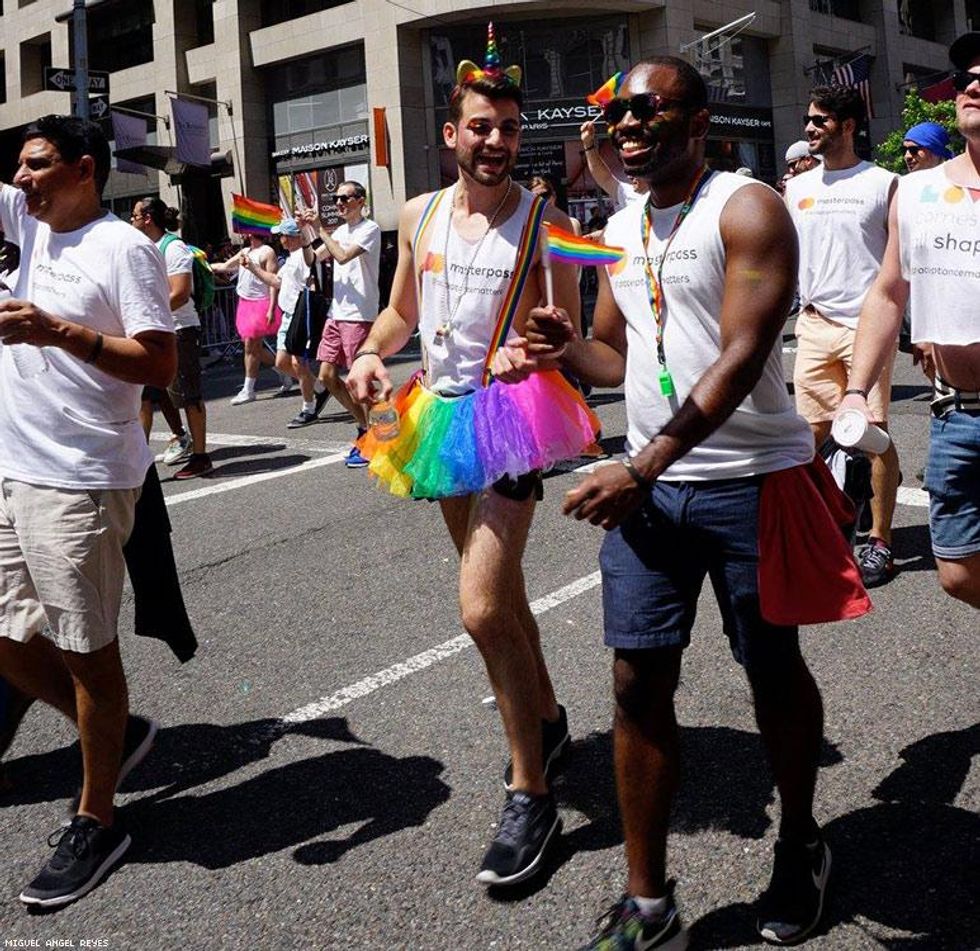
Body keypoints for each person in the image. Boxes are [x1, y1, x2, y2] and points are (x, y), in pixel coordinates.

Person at [522, 56, 836, 947]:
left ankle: (801, 842)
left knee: (771, 671)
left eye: (644, 109)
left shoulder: (748, 207)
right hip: (653, 493)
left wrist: (645, 463)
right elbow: (615, 363)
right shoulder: (621, 227)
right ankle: (646, 898)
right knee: (635, 680)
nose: (623, 125)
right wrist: (564, 348)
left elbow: (740, 356)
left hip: (749, 485)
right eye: (614, 111)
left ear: (699, 121)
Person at [346, 30, 582, 888]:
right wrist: (374, 352)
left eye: (510, 128)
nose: (496, 142)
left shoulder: (543, 221)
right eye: (482, 126)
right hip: (437, 418)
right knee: (506, 597)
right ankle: (548, 717)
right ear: (452, 134)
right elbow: (399, 314)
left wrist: (539, 350)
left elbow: (570, 335)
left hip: (513, 418)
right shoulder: (420, 213)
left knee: (481, 609)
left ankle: (532, 789)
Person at [0, 115, 175, 907]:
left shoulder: (122, 248)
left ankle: (97, 817)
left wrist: (57, 330)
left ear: (83, 169)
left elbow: (160, 360)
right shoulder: (29, 223)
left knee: (86, 653)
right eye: (19, 167)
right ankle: (120, 733)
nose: (22, 178)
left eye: (37, 165)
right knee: (6, 640)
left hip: (82, 481)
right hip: (12, 470)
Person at [836, 33, 980, 608]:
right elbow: (889, 293)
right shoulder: (916, 192)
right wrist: (854, 390)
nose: (972, 86)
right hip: (956, 415)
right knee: (956, 572)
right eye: (968, 77)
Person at [785, 86, 900, 588]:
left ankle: (880, 542)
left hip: (866, 324)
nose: (810, 128)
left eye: (821, 120)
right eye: (809, 120)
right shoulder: (797, 188)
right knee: (809, 436)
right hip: (812, 324)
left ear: (849, 125)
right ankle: (828, 529)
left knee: (870, 432)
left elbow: (902, 262)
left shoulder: (884, 183)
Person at [130, 198, 213, 479]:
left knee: (189, 395)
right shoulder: (144, 247)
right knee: (146, 395)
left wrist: (147, 313)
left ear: (148, 218)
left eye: (135, 215)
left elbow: (180, 292)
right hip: (150, 330)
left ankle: (201, 457)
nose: (132, 220)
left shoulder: (173, 247)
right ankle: (142, 461)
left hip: (180, 330)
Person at [304, 182, 381, 467]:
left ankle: (379, 436)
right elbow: (314, 257)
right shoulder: (339, 232)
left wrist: (321, 228)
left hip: (359, 314)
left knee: (359, 380)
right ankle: (366, 428)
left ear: (360, 201)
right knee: (325, 375)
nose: (339, 203)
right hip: (337, 313)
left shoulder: (369, 229)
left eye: (344, 198)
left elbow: (343, 256)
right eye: (335, 198)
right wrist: (306, 231)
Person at [241, 217, 328, 428]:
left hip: (299, 314)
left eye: (284, 235)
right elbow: (276, 281)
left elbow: (312, 279)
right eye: (281, 236)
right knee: (282, 362)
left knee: (299, 363)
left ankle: (308, 408)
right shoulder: (290, 258)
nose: (281, 239)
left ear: (293, 237)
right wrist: (252, 268)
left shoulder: (303, 256)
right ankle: (319, 388)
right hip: (288, 315)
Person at [211, 232, 289, 404]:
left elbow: (272, 282)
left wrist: (271, 307)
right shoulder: (245, 251)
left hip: (261, 303)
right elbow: (225, 266)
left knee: (250, 347)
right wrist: (205, 264)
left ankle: (248, 389)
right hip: (245, 304)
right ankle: (284, 371)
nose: (245, 234)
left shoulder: (267, 251)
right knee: (255, 350)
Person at [580, 118, 650, 210]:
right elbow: (604, 178)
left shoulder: (670, 196)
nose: (629, 176)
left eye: (635, 170)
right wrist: (588, 144)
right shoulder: (628, 194)